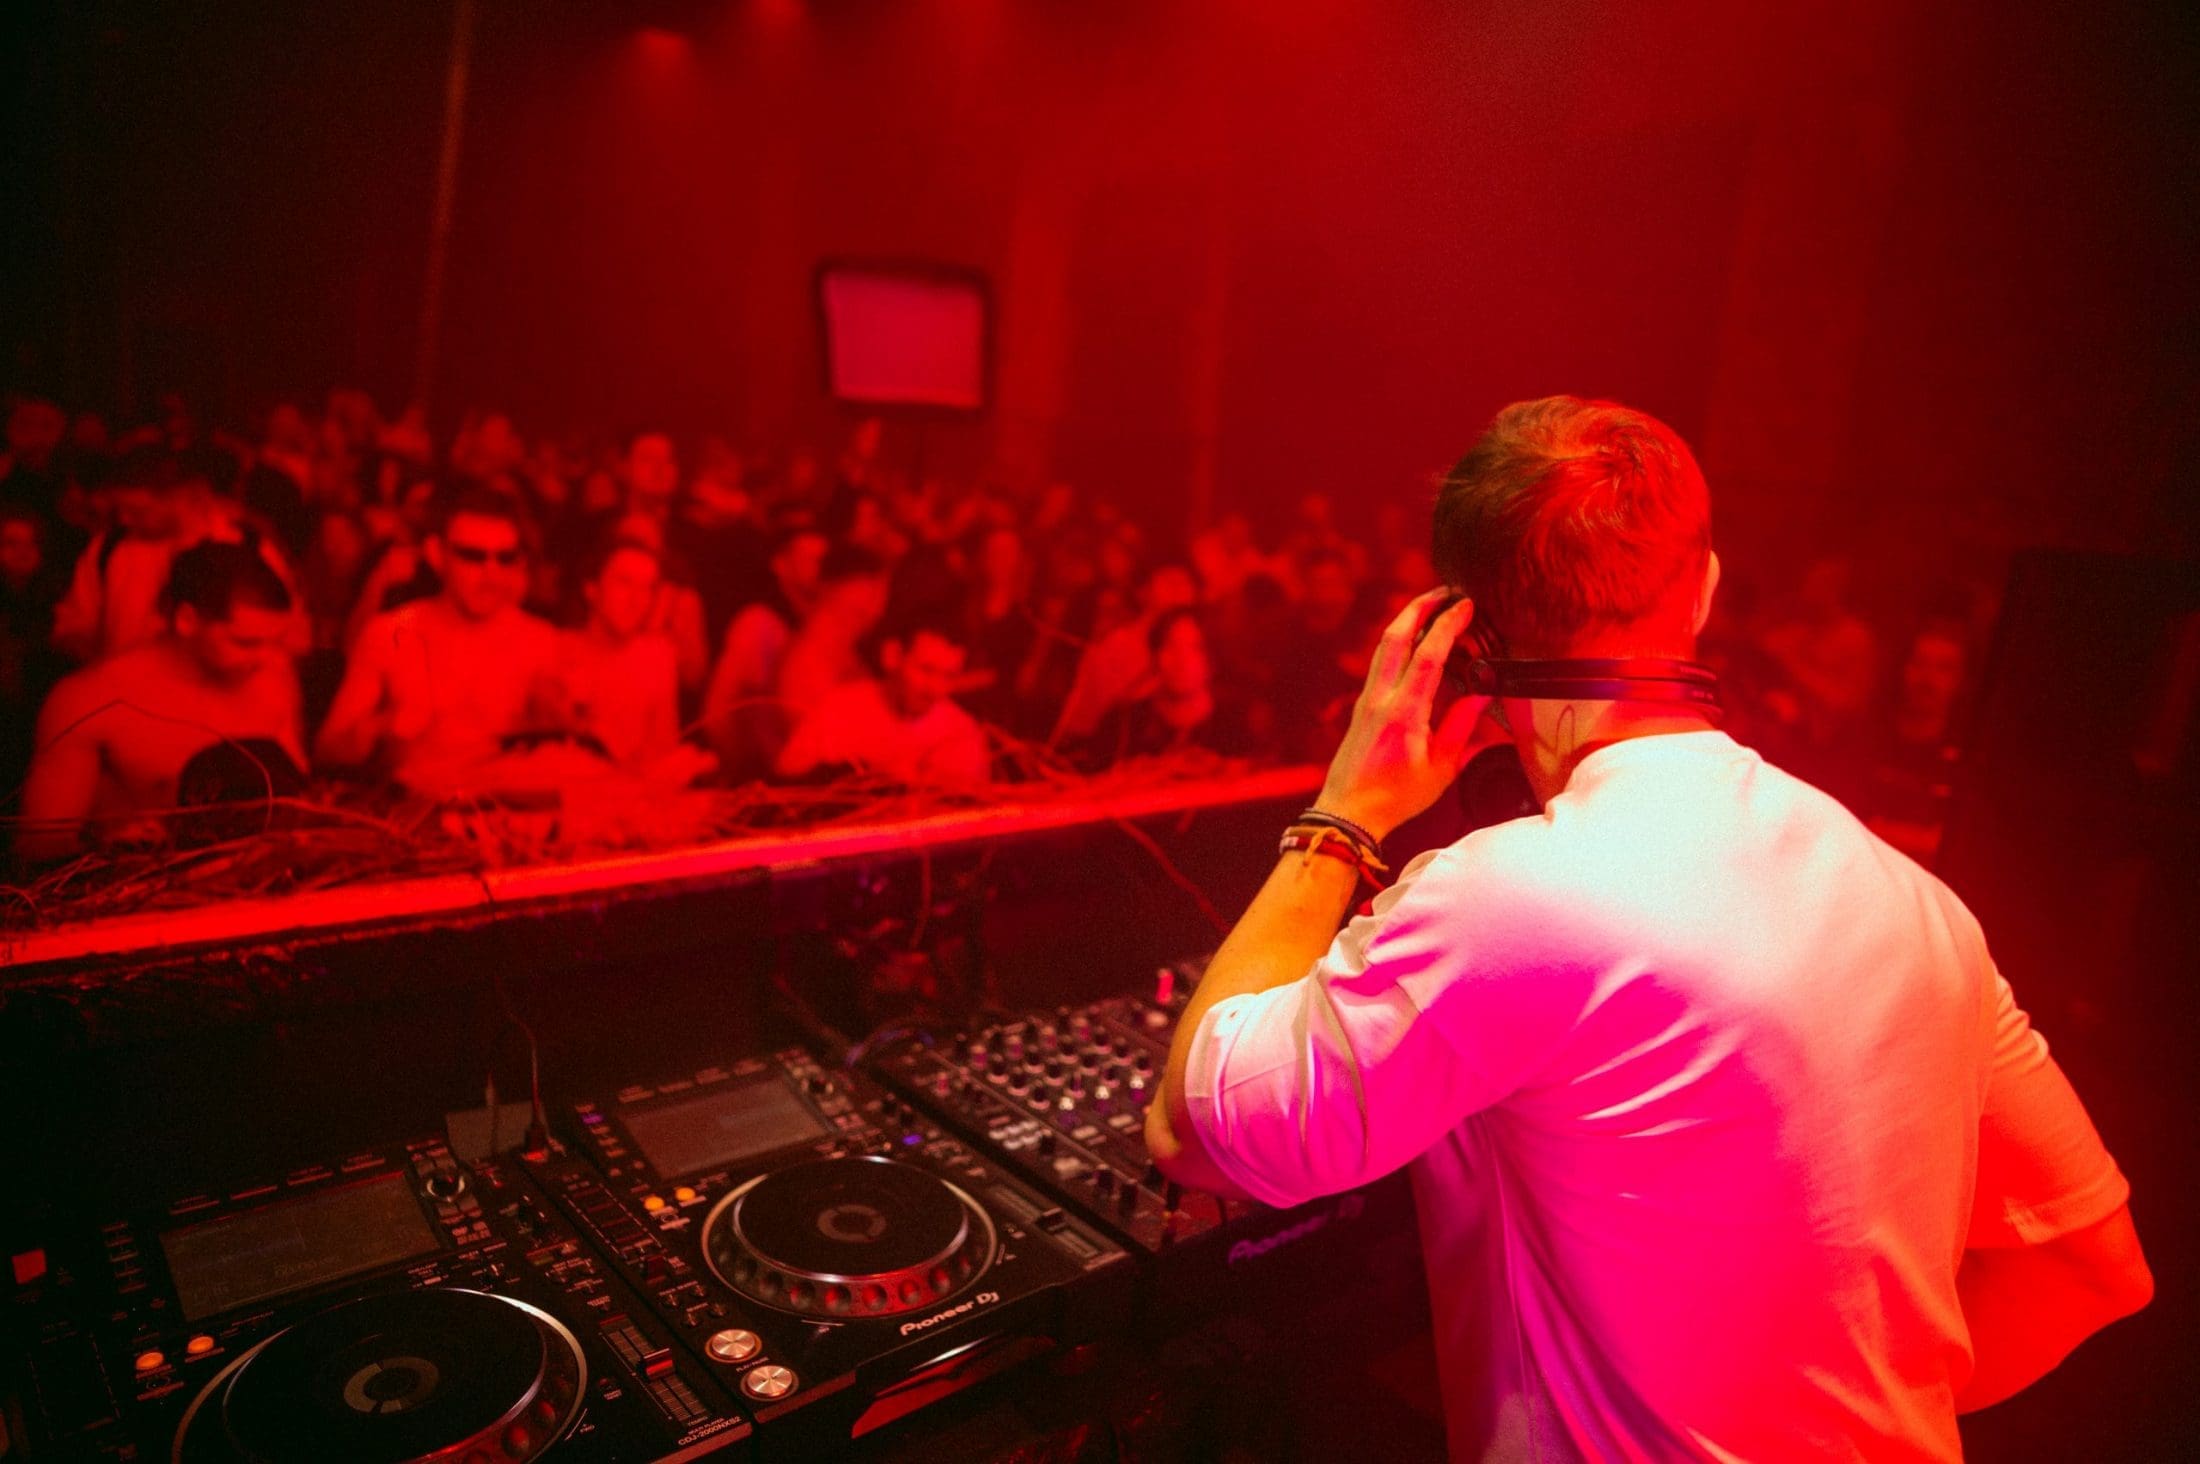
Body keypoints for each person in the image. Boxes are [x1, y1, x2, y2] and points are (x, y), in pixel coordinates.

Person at [1146, 396, 2151, 1461]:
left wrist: (1344, 815)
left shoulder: (1512, 899)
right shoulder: (1923, 908)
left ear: (1467, 639)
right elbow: (2091, 1267)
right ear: (1704, 590)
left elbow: (1193, 1135)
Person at [19, 542, 304, 862]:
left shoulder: (274, 679)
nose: (267, 658)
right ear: (187, 620)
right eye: (245, 643)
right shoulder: (90, 699)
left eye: (276, 642)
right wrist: (111, 847)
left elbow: (300, 802)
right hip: (145, 882)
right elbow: (39, 848)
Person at [315, 485, 559, 792]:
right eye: (472, 556)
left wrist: (553, 721)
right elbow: (327, 752)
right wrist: (380, 726)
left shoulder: (540, 641)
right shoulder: (390, 632)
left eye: (505, 558)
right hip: (407, 810)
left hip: (503, 810)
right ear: (436, 554)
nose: (491, 573)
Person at [50, 447, 296, 664]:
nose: (124, 519)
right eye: (120, 510)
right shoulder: (109, 547)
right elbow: (74, 623)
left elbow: (289, 636)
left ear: (183, 497)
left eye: (137, 511)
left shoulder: (250, 549)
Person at [548, 537, 704, 779]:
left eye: (647, 588)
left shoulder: (658, 656)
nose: (637, 599)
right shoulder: (555, 650)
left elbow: (663, 752)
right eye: (624, 583)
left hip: (636, 793)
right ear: (591, 589)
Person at [776, 616, 989, 787]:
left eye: (949, 676)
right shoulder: (840, 708)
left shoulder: (961, 733)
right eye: (926, 670)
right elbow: (787, 781)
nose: (935, 689)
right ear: (892, 656)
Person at [699, 524, 829, 779]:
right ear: (780, 565)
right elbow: (717, 711)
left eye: (824, 560)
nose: (819, 568)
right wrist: (744, 772)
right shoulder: (759, 623)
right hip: (764, 780)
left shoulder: (818, 627)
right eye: (808, 559)